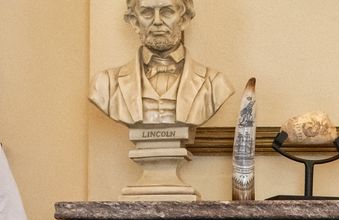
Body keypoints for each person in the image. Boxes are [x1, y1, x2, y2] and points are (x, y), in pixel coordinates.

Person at [89, 0, 234, 127]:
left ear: (184, 19)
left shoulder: (215, 84)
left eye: (167, 12)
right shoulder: (105, 85)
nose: (157, 21)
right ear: (134, 21)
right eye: (147, 12)